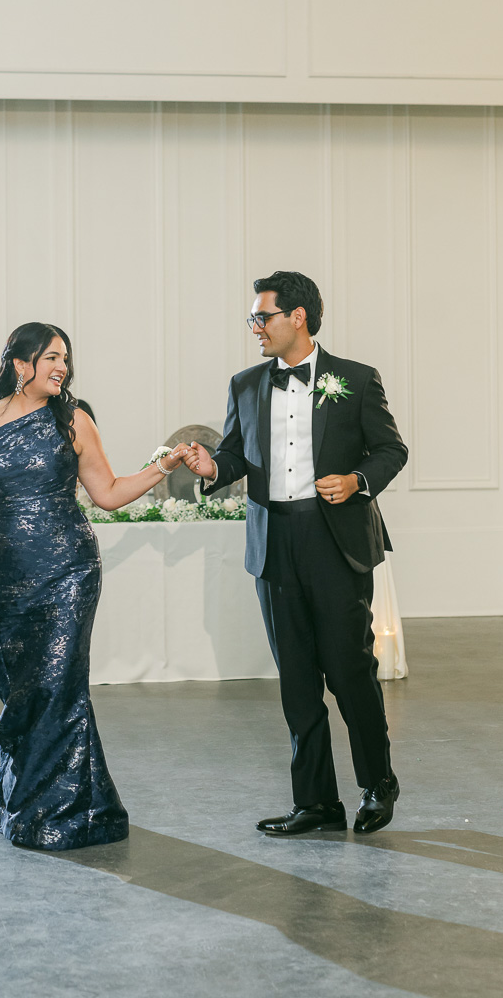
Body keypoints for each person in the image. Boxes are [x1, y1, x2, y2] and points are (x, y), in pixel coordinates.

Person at [0, 322, 187, 851]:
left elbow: (107, 493)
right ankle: (29, 805)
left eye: (66, 358)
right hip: (6, 575)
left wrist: (165, 465)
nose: (62, 367)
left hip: (69, 570)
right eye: (52, 357)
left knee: (60, 686)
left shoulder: (75, 420)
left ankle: (67, 814)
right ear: (21, 365)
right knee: (28, 688)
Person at [182, 272, 408, 836]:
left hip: (335, 542)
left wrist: (357, 480)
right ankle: (316, 802)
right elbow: (234, 455)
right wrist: (213, 467)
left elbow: (391, 449)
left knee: (350, 669)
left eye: (264, 316)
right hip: (274, 543)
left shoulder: (355, 379)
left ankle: (377, 784)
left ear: (298, 317)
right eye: (253, 318)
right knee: (297, 679)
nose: (255, 326)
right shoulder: (245, 383)